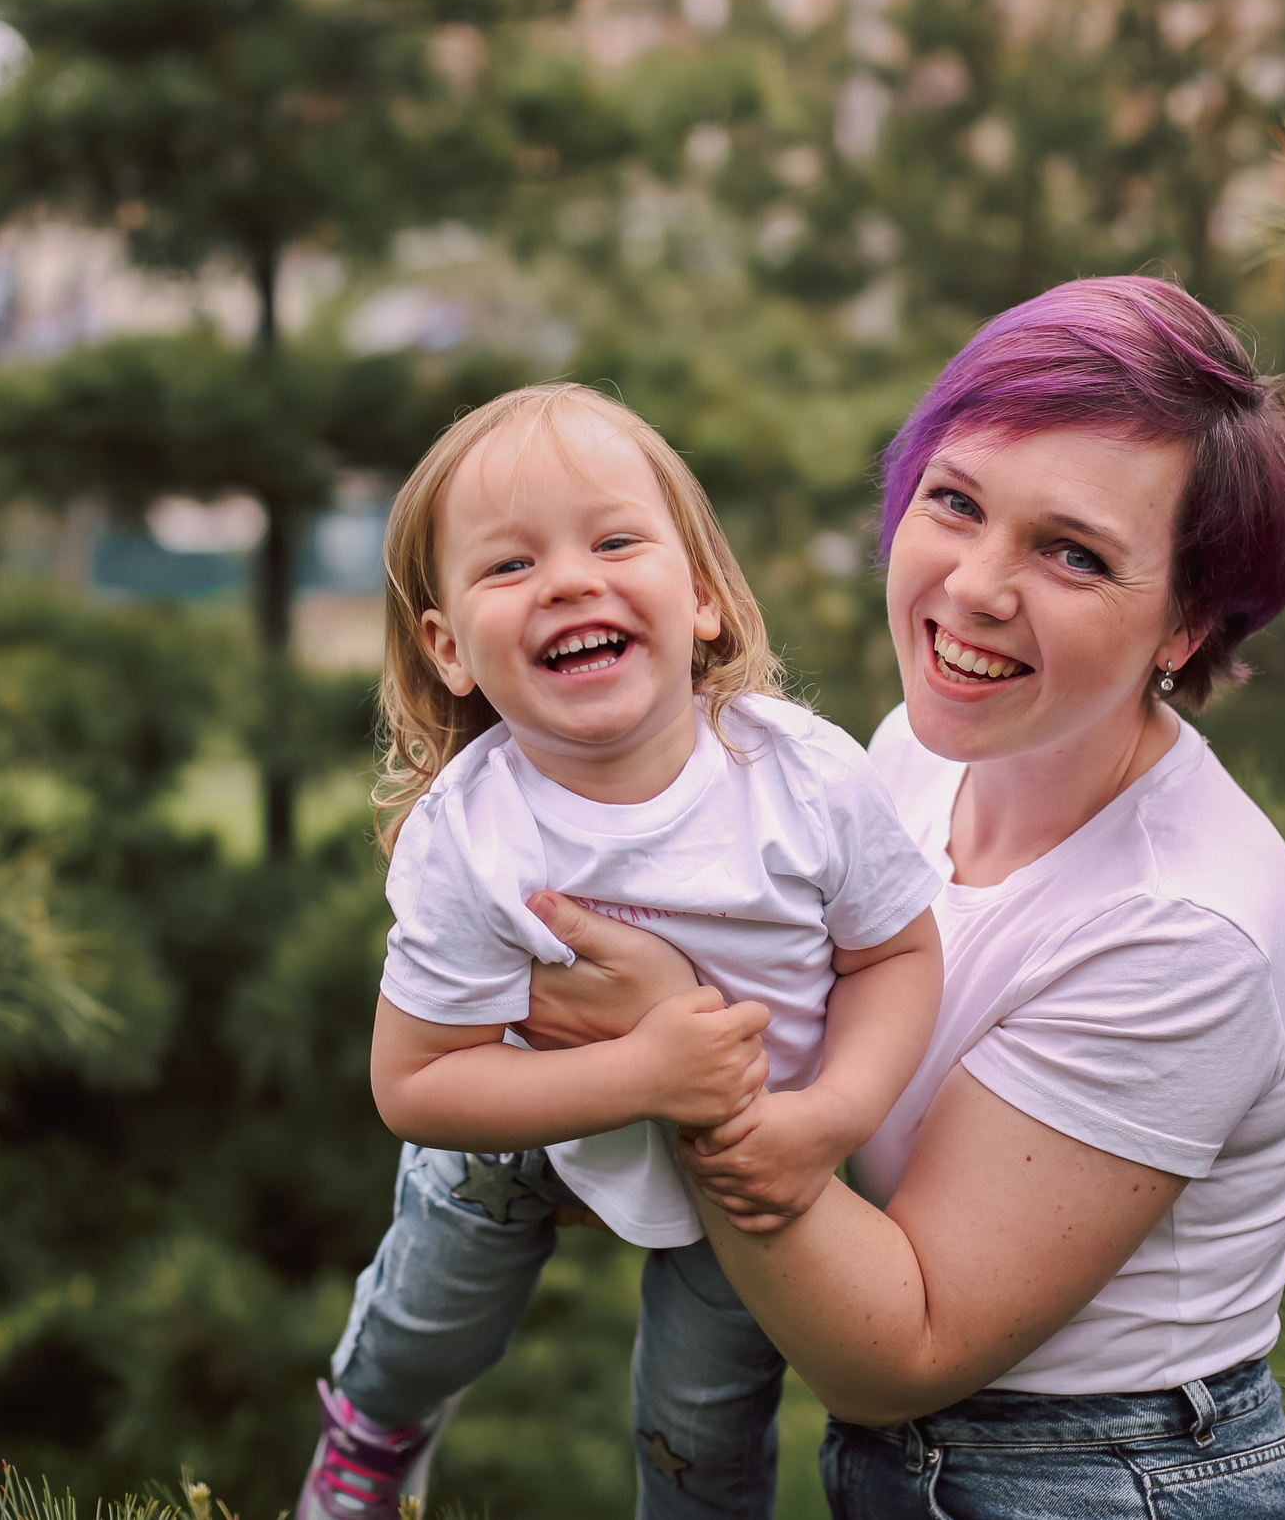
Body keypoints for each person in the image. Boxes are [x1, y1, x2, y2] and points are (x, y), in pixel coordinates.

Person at [524, 277, 1285, 1518]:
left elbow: (894, 1350)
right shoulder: (917, 752)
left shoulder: (1183, 927)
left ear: (1184, 624)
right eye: (954, 502)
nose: (972, 588)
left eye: (1071, 553)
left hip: (1105, 1482)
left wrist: (668, 1055)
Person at [298, 384, 946, 1520]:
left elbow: (895, 957)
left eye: (612, 541)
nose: (566, 580)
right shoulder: (474, 833)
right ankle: (370, 1424)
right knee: (429, 1317)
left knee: (697, 1429)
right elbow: (415, 1082)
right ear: (449, 649)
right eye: (507, 567)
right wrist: (639, 1075)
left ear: (698, 596)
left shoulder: (798, 779)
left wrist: (830, 1119)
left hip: (748, 1145)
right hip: (526, 1111)